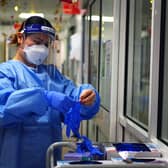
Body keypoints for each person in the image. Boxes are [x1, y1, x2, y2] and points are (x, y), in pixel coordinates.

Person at [0, 16, 100, 168]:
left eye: (46, 44)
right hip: (15, 159)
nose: (42, 48)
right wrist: (43, 97)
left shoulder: (52, 75)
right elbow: (4, 108)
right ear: (21, 38)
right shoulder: (6, 72)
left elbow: (73, 96)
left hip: (49, 158)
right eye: (37, 42)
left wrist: (88, 96)